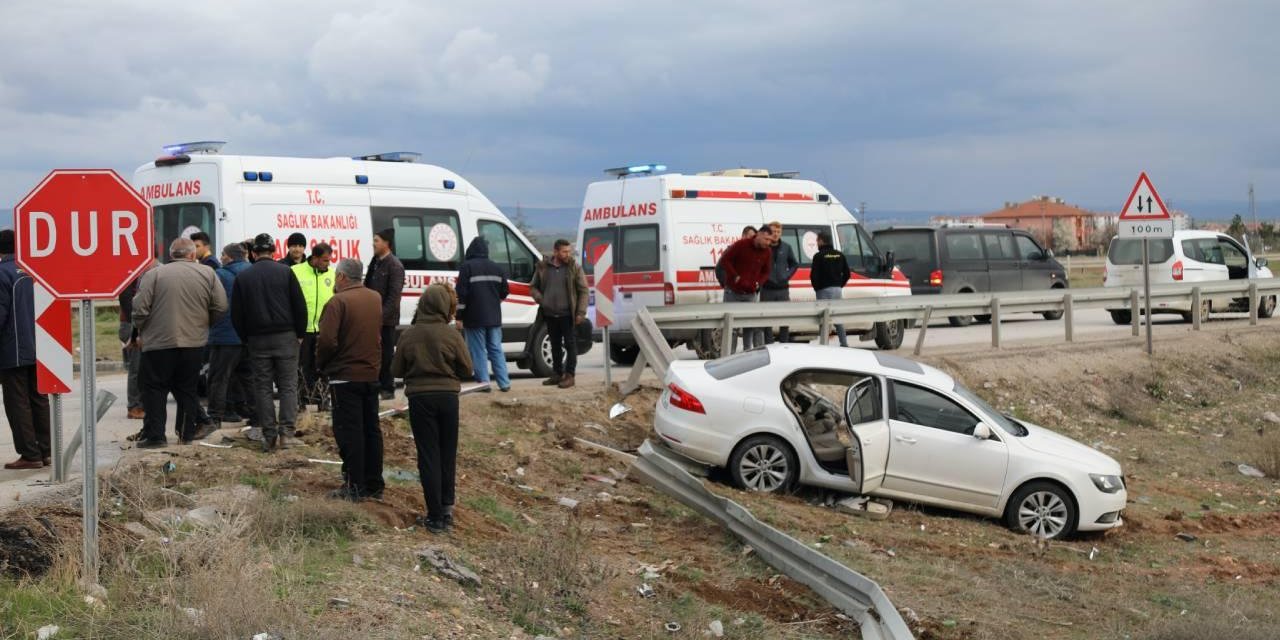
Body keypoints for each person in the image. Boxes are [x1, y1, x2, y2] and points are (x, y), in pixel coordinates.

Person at [391, 283, 473, 533]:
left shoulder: (409, 335)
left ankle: (434, 515)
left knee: (428, 456)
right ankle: (447, 511)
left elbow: (396, 370)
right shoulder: (451, 335)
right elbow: (467, 369)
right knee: (447, 454)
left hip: (420, 400)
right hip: (448, 399)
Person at [131, 238, 228, 447]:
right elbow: (220, 306)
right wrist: (204, 324)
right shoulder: (208, 273)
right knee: (186, 388)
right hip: (193, 342)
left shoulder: (154, 274)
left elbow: (139, 308)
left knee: (155, 388)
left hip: (158, 343)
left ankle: (156, 436)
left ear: (171, 254)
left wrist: (141, 329)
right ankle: (186, 433)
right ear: (192, 255)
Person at [232, 234, 308, 451]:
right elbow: (300, 306)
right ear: (274, 252)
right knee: (288, 386)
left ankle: (268, 435)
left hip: (257, 340)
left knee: (263, 387)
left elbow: (236, 315)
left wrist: (246, 338)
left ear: (253, 254)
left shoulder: (244, 277)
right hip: (286, 337)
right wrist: (300, 334)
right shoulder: (286, 272)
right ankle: (287, 434)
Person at [317, 258, 385, 501]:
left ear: (342, 277)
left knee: (349, 432)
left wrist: (322, 365)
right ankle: (374, 483)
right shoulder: (374, 298)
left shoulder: (338, 302)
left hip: (344, 376)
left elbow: (326, 341)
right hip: (370, 373)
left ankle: (354, 485)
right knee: (371, 429)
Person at [0, 230, 51, 469]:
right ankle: (46, 451)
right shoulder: (36, 270)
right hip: (42, 345)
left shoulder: (2, 273)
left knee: (17, 401)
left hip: (13, 349)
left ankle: (30, 455)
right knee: (39, 397)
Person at [528, 239, 588, 389]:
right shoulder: (543, 267)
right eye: (564, 251)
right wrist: (540, 299)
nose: (568, 254)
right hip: (549, 314)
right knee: (554, 344)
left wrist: (580, 312)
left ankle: (570, 375)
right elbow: (533, 287)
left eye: (569, 251)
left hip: (568, 314)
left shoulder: (574, 267)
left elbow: (583, 290)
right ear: (555, 252)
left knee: (570, 344)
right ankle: (557, 373)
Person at [456, 237, 510, 392]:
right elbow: (505, 291)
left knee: (478, 350)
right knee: (495, 348)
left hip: (473, 317)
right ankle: (504, 383)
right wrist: (495, 301)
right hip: (494, 317)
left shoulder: (467, 267)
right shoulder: (497, 267)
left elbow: (461, 294)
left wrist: (459, 316)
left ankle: (484, 383)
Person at [207, 243, 252, 424]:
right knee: (248, 377)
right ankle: (256, 414)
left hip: (225, 335)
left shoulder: (220, 275)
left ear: (230, 257)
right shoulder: (253, 272)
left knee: (219, 377)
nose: (221, 258)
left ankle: (216, 415)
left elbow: (212, 303)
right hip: (249, 336)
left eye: (223, 255)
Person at [292, 243, 336, 410]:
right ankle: (302, 402)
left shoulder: (333, 274)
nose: (328, 264)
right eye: (325, 260)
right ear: (315, 258)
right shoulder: (296, 271)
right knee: (302, 368)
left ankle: (322, 401)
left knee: (323, 367)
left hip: (323, 330)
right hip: (302, 331)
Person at [363, 229, 405, 400]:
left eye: (377, 240)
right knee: (372, 354)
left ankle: (387, 388)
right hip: (371, 318)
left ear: (386, 243)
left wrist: (380, 318)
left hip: (386, 321)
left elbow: (393, 298)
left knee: (386, 355)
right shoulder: (375, 262)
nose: (373, 243)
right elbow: (366, 287)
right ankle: (374, 385)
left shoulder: (395, 265)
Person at [718, 226, 774, 352]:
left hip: (751, 294)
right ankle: (729, 354)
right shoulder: (741, 245)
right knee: (731, 327)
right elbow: (725, 261)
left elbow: (766, 271)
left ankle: (748, 351)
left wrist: (759, 283)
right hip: (733, 292)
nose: (768, 243)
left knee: (750, 326)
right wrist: (735, 276)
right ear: (759, 235)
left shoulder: (767, 252)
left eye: (770, 241)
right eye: (766, 239)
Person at [810, 231, 851, 347]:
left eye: (817, 241)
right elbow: (847, 274)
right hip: (837, 290)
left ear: (822, 241)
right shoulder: (839, 255)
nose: (817, 243)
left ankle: (824, 344)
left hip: (823, 290)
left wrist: (817, 288)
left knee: (823, 318)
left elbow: (814, 276)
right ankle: (844, 343)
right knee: (838, 317)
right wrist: (839, 285)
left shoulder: (818, 256)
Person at [761, 221, 798, 343]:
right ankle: (768, 344)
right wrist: (763, 277)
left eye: (778, 232)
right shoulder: (764, 247)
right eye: (773, 232)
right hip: (767, 289)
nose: (776, 234)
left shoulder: (786, 247)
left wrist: (787, 275)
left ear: (781, 233)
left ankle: (784, 343)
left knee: (784, 318)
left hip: (782, 289)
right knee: (766, 319)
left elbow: (794, 264)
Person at [118, 272, 148, 420]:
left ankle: (142, 404)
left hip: (142, 324)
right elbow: (124, 297)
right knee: (136, 368)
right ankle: (134, 406)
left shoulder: (145, 272)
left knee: (144, 367)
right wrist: (135, 324)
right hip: (131, 324)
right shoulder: (131, 273)